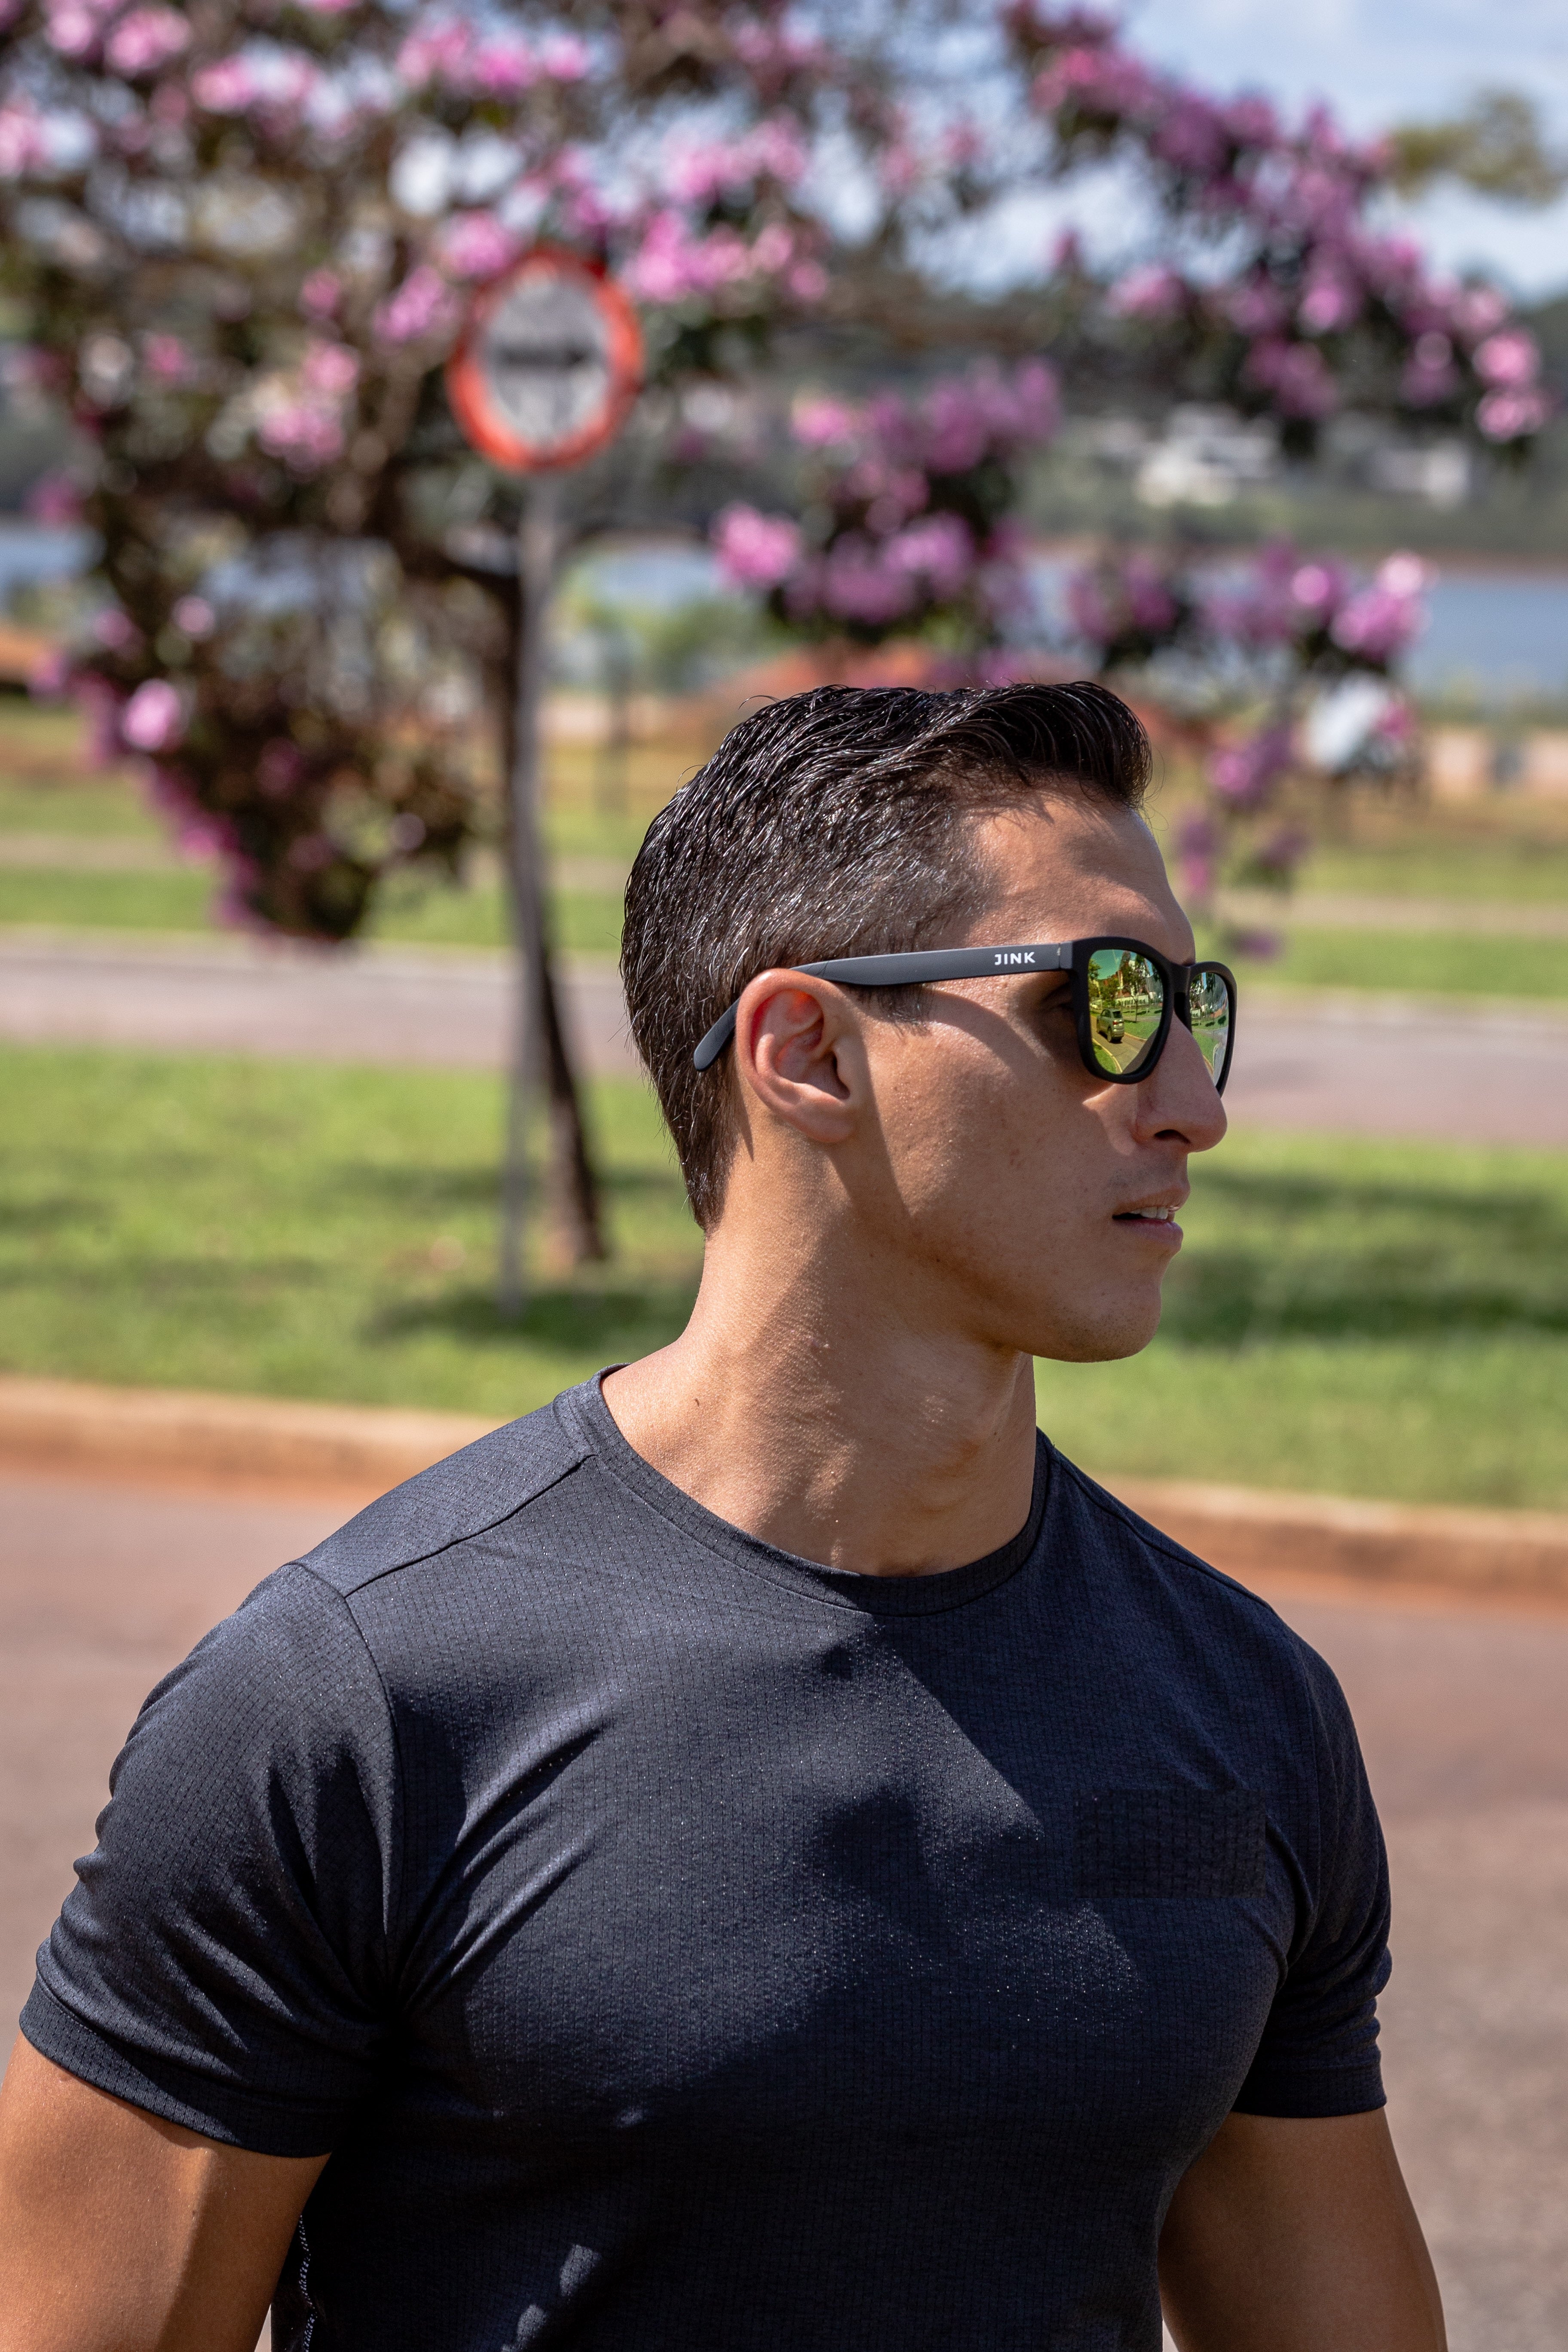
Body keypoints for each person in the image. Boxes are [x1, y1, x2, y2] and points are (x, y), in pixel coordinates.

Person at [0, 684, 1444, 2352]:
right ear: (808, 1051)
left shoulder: (1244, 1708)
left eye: (1194, 1006)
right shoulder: (353, 1708)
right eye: (1106, 1006)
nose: (1193, 1100)